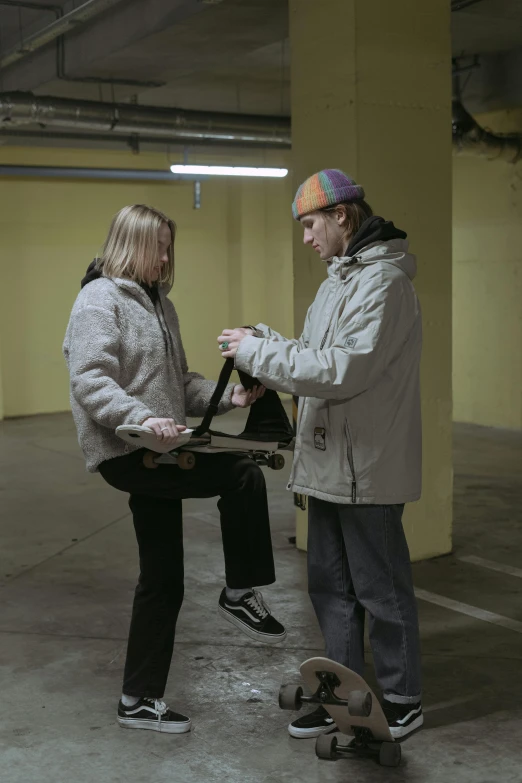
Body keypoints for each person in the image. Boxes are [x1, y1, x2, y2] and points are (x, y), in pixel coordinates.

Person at [63, 204, 286, 735]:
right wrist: (143, 418)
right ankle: (239, 592)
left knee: (162, 578)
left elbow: (180, 384)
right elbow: (91, 380)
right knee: (242, 474)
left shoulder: (160, 303)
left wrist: (229, 395)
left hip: (159, 446)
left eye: (169, 246)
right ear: (130, 244)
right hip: (129, 450)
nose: (166, 257)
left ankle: (138, 700)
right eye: (158, 246)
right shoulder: (98, 300)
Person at [217, 169, 423, 740]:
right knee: (329, 587)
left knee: (379, 589)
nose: (306, 238)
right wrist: (264, 346)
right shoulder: (338, 281)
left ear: (341, 216)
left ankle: (404, 698)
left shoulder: (383, 285)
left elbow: (343, 371)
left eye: (310, 225)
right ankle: (343, 693)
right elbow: (313, 355)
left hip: (367, 465)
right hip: (329, 461)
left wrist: (262, 352)